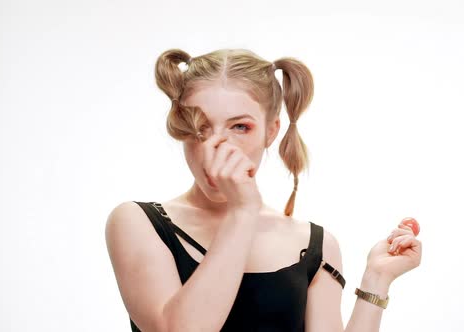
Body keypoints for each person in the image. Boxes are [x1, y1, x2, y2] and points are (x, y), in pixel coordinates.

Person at [105, 48, 423, 331]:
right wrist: (243, 212)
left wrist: (377, 280)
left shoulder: (316, 244)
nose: (218, 146)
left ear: (271, 132)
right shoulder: (137, 222)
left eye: (240, 126)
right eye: (200, 127)